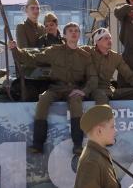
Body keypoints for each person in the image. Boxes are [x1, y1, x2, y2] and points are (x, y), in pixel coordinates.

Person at [8, 22, 97, 155]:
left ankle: (77, 145)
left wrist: (83, 91)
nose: (74, 33)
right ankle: (38, 144)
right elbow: (32, 58)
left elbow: (93, 77)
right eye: (70, 31)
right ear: (65, 35)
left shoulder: (85, 56)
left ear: (79, 35)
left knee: (76, 102)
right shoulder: (54, 51)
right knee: (43, 99)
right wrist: (15, 49)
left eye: (76, 31)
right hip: (55, 87)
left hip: (73, 88)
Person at [82, 28, 133, 104]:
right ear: (97, 41)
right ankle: (105, 115)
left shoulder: (115, 57)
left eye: (110, 38)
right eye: (106, 38)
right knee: (101, 95)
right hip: (92, 90)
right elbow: (72, 48)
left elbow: (130, 75)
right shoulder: (87, 51)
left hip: (108, 91)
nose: (109, 41)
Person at [74, 105, 120, 188]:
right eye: (112, 127)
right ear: (99, 131)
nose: (115, 131)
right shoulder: (92, 161)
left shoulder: (97, 155)